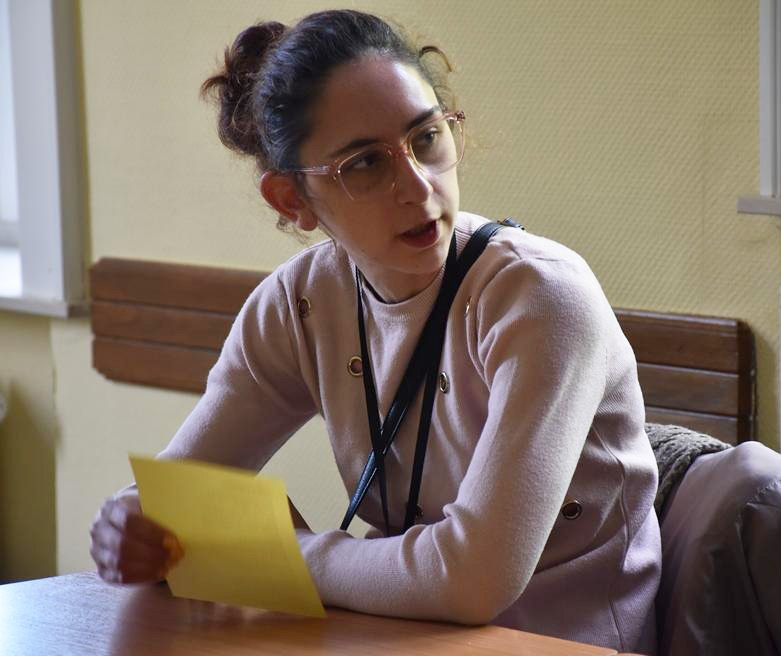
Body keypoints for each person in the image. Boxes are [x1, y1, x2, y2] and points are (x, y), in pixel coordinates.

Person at [89, 9, 660, 654]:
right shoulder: (299, 304)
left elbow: (474, 581)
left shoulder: (541, 296)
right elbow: (177, 496)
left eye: (427, 138)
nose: (418, 187)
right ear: (291, 200)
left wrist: (275, 554)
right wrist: (134, 520)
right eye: (364, 164)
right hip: (393, 637)